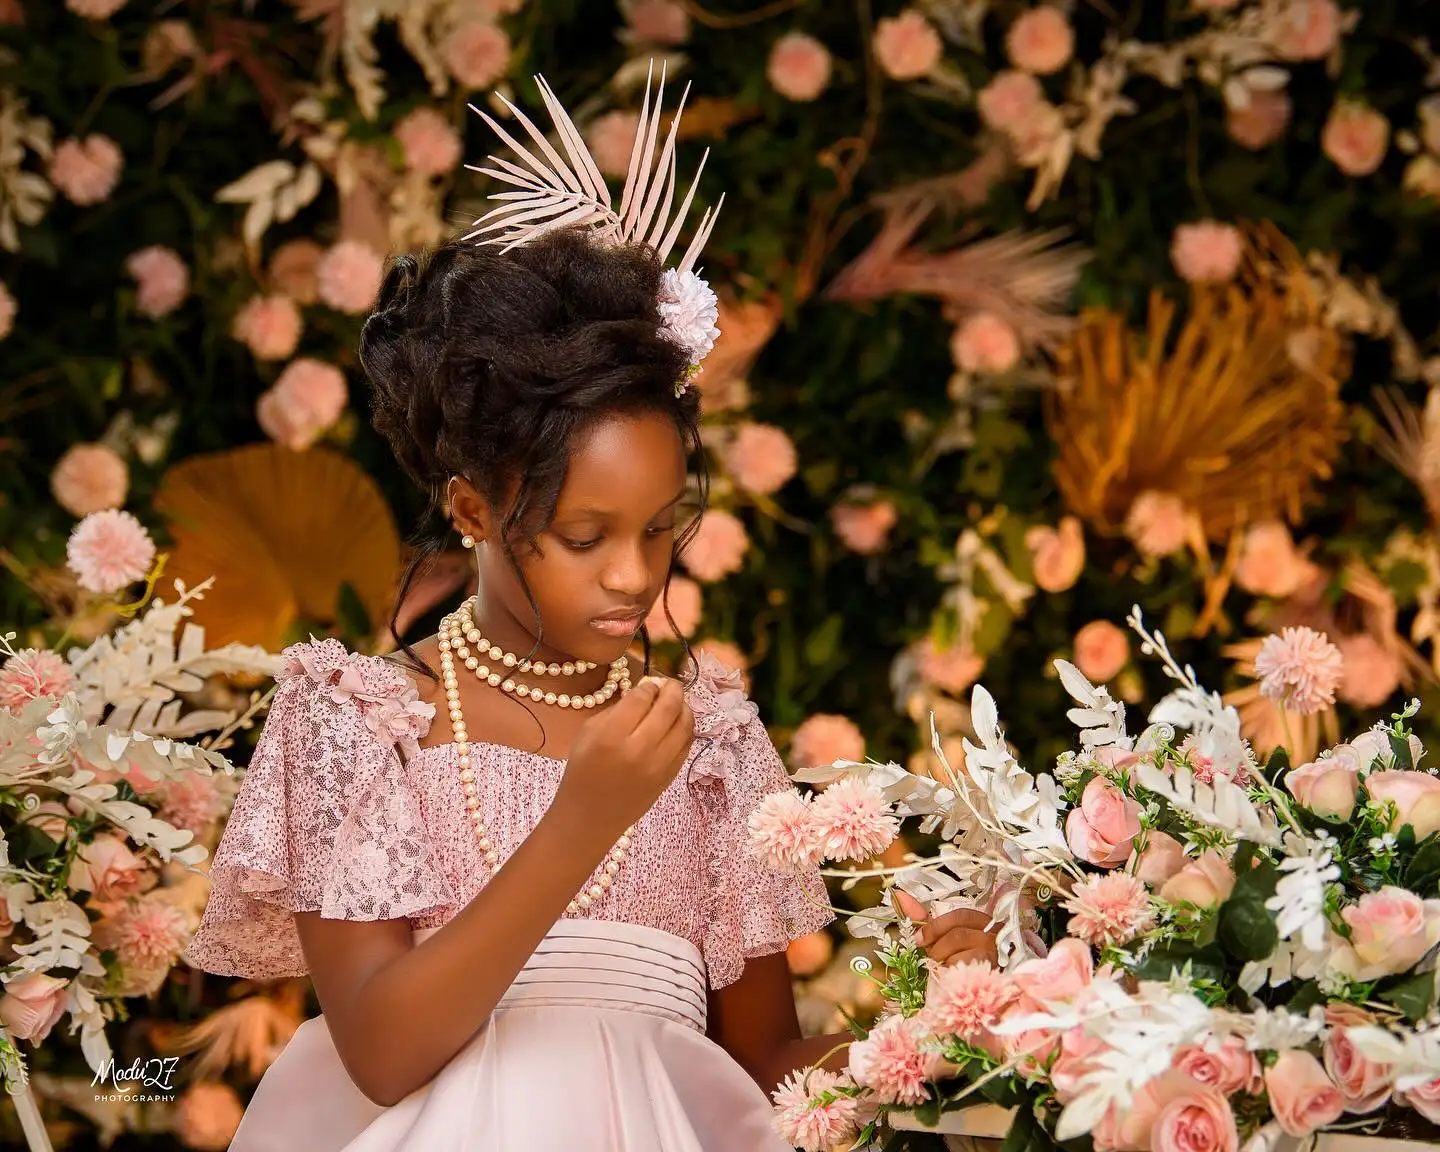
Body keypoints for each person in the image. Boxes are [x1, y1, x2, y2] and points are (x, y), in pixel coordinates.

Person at [183, 69, 998, 1151]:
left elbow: (762, 1080)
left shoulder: (710, 745)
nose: (634, 575)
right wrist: (584, 817)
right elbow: (379, 1052)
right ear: (472, 506)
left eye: (662, 529)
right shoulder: (358, 719)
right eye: (585, 537)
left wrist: (931, 1024)